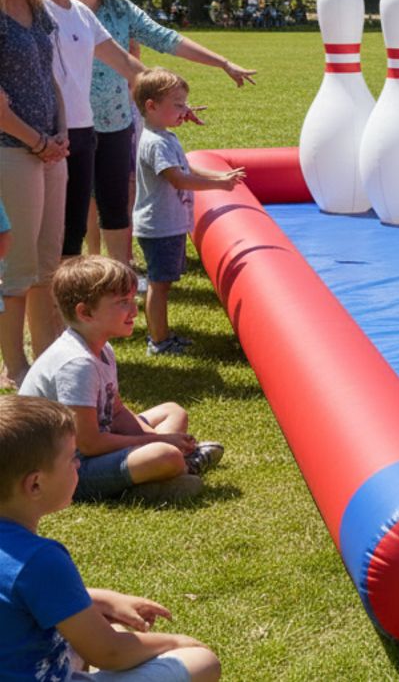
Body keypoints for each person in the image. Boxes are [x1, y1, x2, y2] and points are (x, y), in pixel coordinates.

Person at [0, 395, 221, 681]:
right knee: (201, 661)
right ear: (35, 484)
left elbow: (18, 591)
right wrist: (175, 642)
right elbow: (108, 652)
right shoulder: (40, 559)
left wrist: (103, 600)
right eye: (72, 459)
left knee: (97, 618)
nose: (78, 465)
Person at [71, 0, 256, 278]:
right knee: (77, 204)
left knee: (116, 202)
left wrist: (222, 63)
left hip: (114, 121)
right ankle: (83, 269)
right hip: (69, 122)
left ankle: (119, 275)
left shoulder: (119, 10)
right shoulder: (58, 7)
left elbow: (167, 39)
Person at [18, 256, 224, 501]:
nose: (134, 310)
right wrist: (156, 442)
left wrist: (157, 439)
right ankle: (173, 470)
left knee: (173, 412)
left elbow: (115, 412)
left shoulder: (102, 349)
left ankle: (156, 474)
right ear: (85, 312)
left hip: (90, 449)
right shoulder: (77, 364)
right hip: (63, 470)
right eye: (123, 302)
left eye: (132, 300)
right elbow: (89, 443)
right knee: (164, 455)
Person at [41, 0, 148, 265]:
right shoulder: (32, 6)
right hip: (43, 136)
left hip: (82, 133)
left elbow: (126, 63)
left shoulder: (82, 14)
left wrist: (167, 94)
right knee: (46, 236)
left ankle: (68, 298)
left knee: (71, 233)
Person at [0, 0, 70, 387]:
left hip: (49, 151)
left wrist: (60, 133)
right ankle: (15, 366)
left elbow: (49, 76)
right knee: (18, 269)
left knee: (48, 266)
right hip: (12, 151)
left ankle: (48, 362)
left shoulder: (36, 5)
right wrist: (40, 141)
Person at [133, 70, 245, 355]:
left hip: (167, 224)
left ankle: (162, 335)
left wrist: (219, 175)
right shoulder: (156, 143)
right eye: (178, 105)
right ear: (151, 106)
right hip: (159, 226)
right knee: (159, 285)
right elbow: (178, 179)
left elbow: (186, 167)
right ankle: (158, 341)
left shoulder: (165, 137)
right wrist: (219, 184)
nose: (185, 110)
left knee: (163, 282)